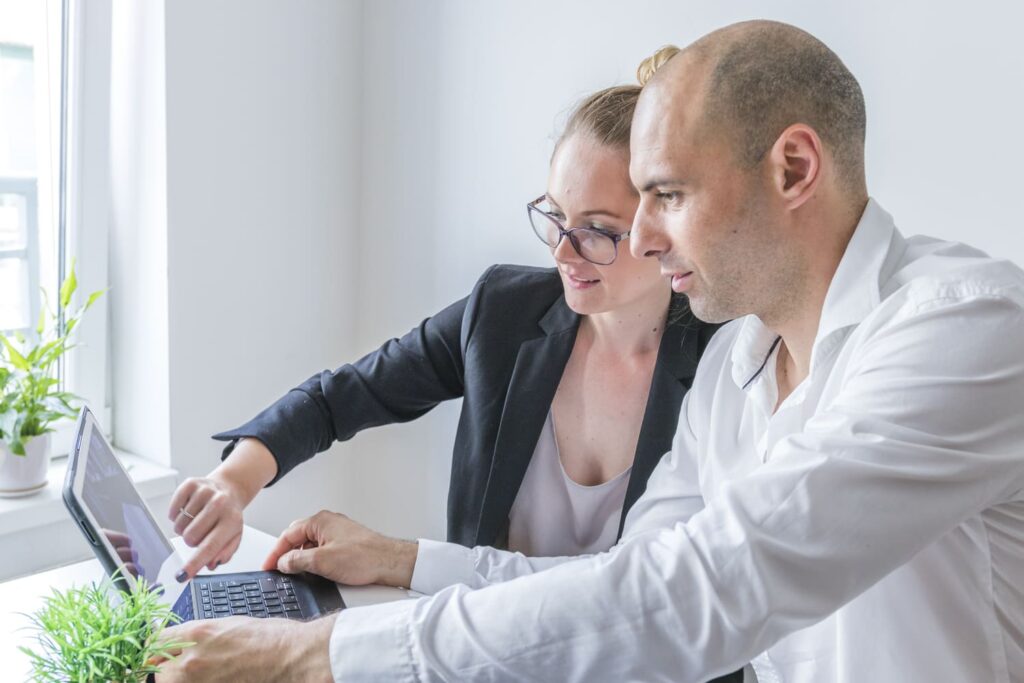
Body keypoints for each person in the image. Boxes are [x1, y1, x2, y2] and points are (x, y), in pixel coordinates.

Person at [157, 19, 1024, 683]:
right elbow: (620, 579)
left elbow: (703, 587)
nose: (644, 236)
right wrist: (403, 563)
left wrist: (322, 654)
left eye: (667, 195)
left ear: (794, 168)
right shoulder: (736, 368)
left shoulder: (963, 330)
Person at [162, 46, 739, 683]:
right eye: (554, 217)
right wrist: (235, 481)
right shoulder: (504, 312)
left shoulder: (730, 365)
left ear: (663, 221)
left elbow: (635, 598)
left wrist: (401, 559)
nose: (564, 254)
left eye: (598, 230)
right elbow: (343, 395)